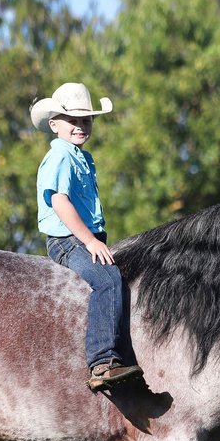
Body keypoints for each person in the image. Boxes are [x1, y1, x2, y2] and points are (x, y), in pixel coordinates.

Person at [31, 82, 143, 392]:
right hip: (68, 240)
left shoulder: (83, 157)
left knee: (122, 278)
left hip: (87, 236)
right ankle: (102, 362)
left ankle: (125, 358)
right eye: (73, 121)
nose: (80, 127)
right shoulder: (61, 157)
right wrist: (91, 241)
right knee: (107, 280)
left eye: (86, 120)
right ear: (55, 125)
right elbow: (60, 202)